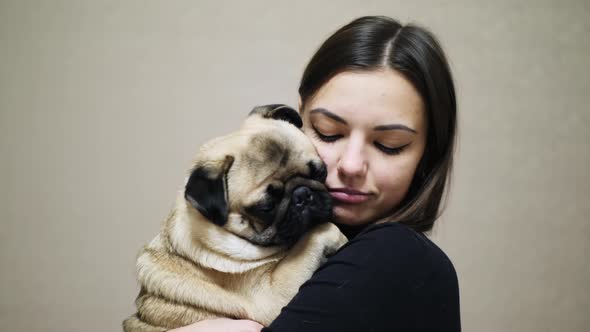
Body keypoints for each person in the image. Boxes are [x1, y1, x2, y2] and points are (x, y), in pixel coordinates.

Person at [172, 15, 460, 331]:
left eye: (389, 145)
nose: (351, 165)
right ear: (298, 120)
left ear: (427, 151)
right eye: (328, 132)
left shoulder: (394, 254)